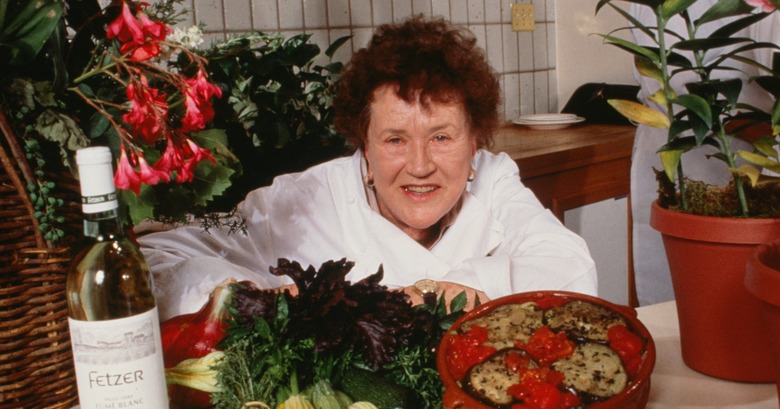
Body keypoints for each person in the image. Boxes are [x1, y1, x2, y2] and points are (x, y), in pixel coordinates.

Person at [137, 15, 598, 321]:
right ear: (363, 144)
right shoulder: (300, 199)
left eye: (441, 137)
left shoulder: (494, 180)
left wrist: (432, 295)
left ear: (474, 140)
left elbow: (574, 272)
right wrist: (252, 298)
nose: (420, 166)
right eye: (395, 140)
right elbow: (154, 255)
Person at [628, 2, 777, 305]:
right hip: (665, 159)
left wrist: (733, 124)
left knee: (740, 308)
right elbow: (651, 77)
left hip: (746, 168)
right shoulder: (645, 7)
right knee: (668, 307)